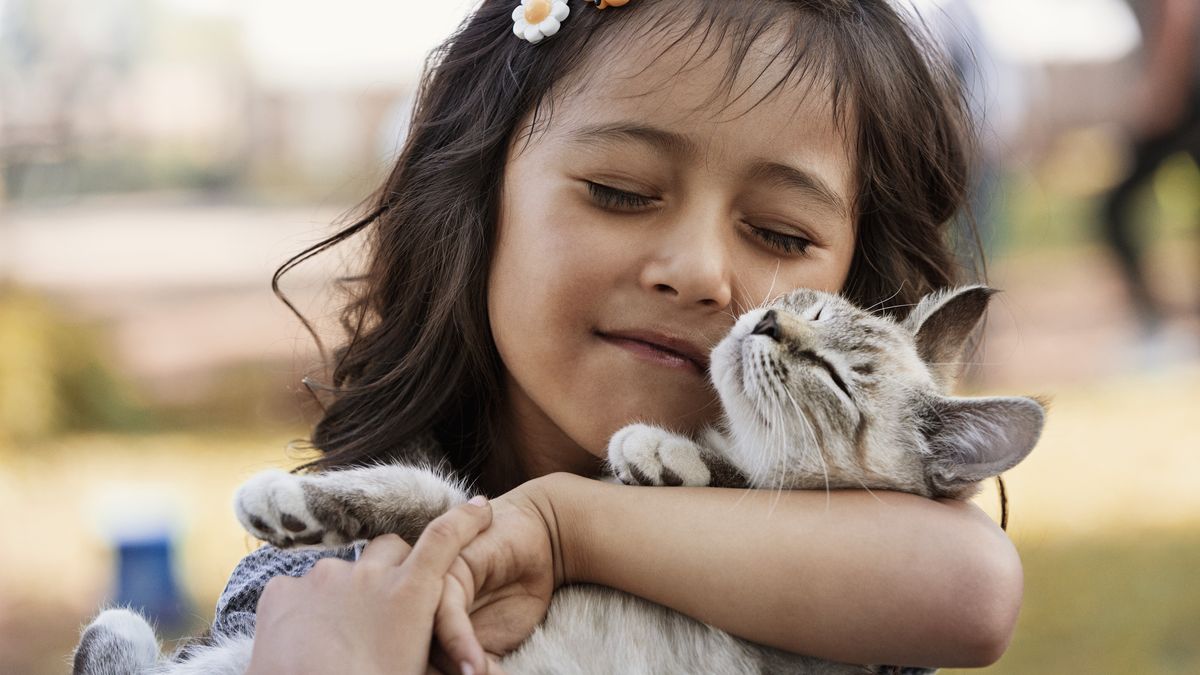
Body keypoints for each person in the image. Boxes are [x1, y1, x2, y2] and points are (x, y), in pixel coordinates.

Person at [216, 2, 1023, 674]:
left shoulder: (846, 593)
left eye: (779, 235)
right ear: (474, 194)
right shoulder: (317, 586)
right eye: (619, 191)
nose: (700, 271)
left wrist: (565, 528)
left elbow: (975, 586)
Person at [1100, 0, 1200, 337]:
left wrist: (1162, 91)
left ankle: (1153, 321)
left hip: (1185, 99)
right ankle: (1154, 317)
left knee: (1116, 208)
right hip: (1183, 95)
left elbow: (1178, 9)